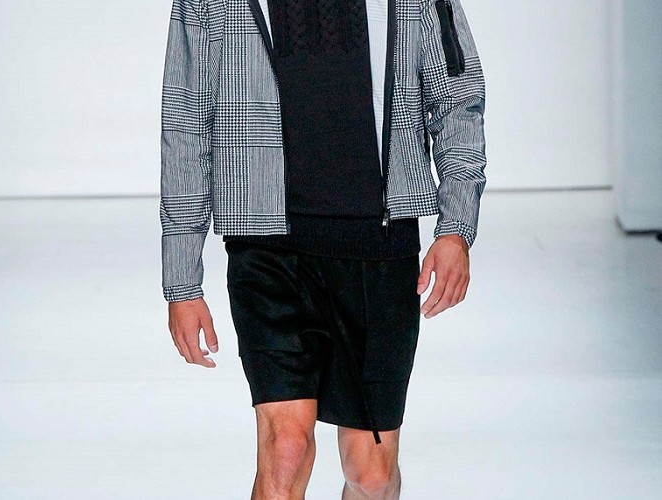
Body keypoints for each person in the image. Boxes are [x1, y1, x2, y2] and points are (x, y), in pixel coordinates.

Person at [159, 0, 486, 497]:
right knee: (285, 449)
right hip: (265, 244)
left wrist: (456, 228)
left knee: (371, 475)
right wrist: (183, 281)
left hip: (377, 244)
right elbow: (184, 118)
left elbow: (457, 95)